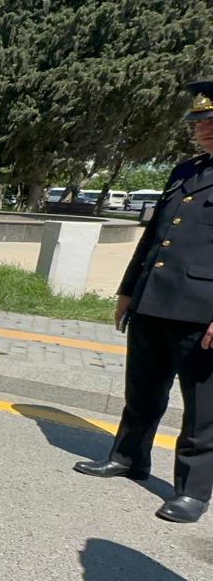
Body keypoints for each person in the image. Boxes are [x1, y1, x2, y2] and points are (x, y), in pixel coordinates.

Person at [74, 79, 213, 523]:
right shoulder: (186, 171)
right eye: (198, 122)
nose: (203, 128)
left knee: (203, 407)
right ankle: (129, 457)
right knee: (143, 390)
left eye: (211, 121)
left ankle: (192, 491)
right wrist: (128, 291)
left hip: (202, 311)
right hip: (154, 301)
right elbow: (154, 237)